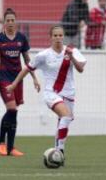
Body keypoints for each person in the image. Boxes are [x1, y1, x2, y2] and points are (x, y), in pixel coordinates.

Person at [6, 25, 86, 163]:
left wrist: (71, 57)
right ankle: (59, 151)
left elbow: (80, 69)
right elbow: (27, 69)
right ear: (50, 37)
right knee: (65, 116)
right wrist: (14, 84)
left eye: (60, 35)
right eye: (55, 35)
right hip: (52, 93)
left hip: (69, 94)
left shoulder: (72, 50)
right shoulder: (43, 55)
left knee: (64, 121)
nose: (58, 38)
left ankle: (58, 150)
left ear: (63, 36)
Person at [0, 8, 39, 156]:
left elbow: (27, 60)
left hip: (18, 79)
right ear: (4, 23)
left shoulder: (21, 38)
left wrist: (34, 78)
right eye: (7, 20)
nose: (10, 22)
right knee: (12, 109)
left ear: (16, 22)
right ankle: (1, 143)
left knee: (14, 113)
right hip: (3, 78)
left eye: (12, 20)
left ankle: (10, 148)